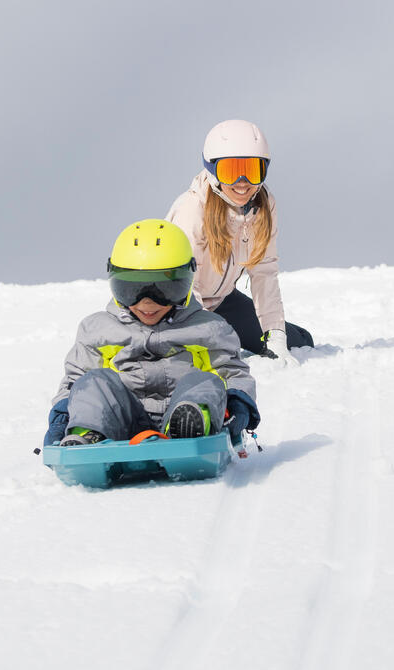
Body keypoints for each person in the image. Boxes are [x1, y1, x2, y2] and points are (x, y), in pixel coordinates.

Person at [44, 219, 260, 447]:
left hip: (184, 414)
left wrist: (238, 406)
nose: (147, 303)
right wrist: (61, 422)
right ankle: (88, 435)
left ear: (186, 281)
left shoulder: (208, 329)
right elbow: (75, 382)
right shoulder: (98, 330)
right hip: (118, 423)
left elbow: (233, 374)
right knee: (94, 381)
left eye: (164, 290)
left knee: (205, 380)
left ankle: (192, 427)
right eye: (132, 290)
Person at [166, 119, 315, 361]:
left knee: (301, 341)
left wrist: (275, 336)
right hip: (184, 309)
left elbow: (264, 273)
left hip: (223, 301)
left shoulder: (263, 206)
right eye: (231, 171)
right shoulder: (192, 209)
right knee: (222, 354)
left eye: (252, 170)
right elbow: (183, 283)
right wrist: (203, 336)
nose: (242, 182)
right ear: (212, 170)